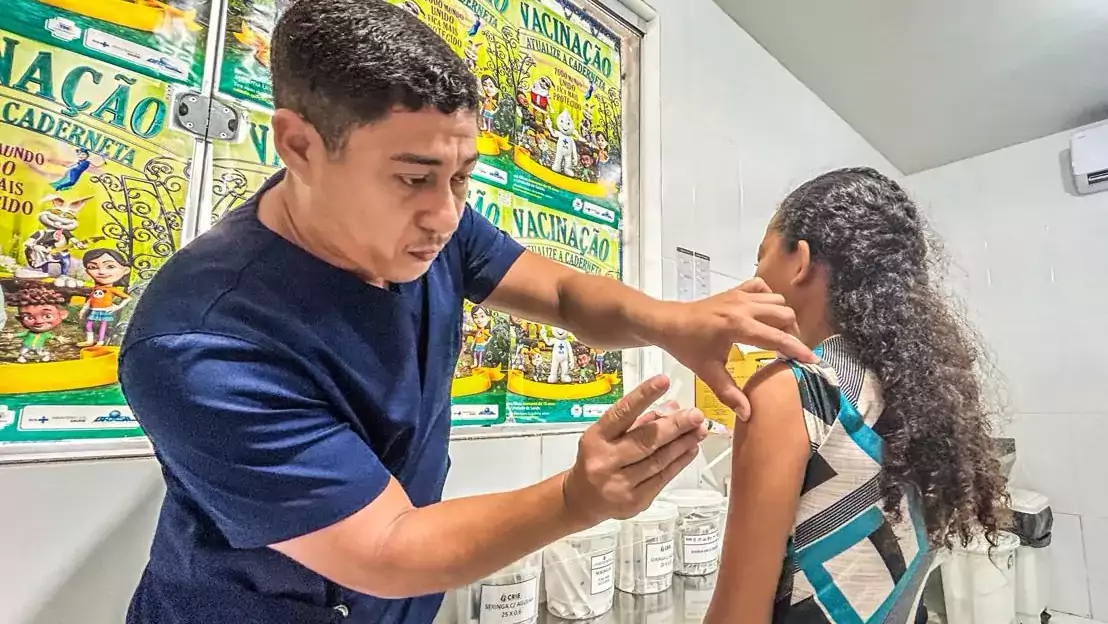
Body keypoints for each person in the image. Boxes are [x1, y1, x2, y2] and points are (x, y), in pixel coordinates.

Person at [118, 2, 814, 623]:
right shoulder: (200, 342)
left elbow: (564, 294)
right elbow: (387, 547)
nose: (446, 214)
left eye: (462, 176)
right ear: (299, 145)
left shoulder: (430, 223)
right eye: (414, 177)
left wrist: (672, 321)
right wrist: (577, 499)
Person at [704, 168, 1007, 623]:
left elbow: (737, 617)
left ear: (800, 261)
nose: (752, 280)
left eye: (760, 259)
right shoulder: (921, 392)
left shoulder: (793, 389)